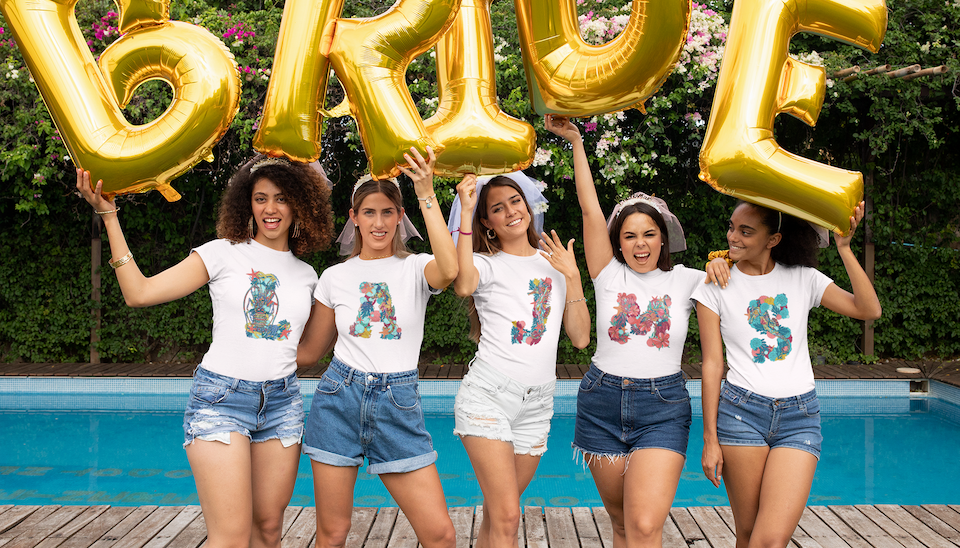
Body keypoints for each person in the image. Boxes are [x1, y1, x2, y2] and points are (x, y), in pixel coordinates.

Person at [75, 157, 336, 548]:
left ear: (298, 205)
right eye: (260, 198)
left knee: (267, 530)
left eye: (281, 199)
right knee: (230, 536)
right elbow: (139, 292)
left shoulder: (307, 275)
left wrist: (273, 357)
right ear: (246, 204)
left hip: (282, 404)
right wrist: (109, 216)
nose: (270, 209)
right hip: (221, 401)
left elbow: (303, 351)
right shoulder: (221, 253)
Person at [546, 114, 705, 548]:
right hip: (601, 400)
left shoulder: (690, 280)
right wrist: (577, 142)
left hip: (664, 407)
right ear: (618, 242)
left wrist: (726, 260)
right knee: (620, 523)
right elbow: (589, 208)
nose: (640, 244)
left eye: (649, 235)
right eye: (630, 236)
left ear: (663, 238)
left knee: (646, 525)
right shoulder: (606, 273)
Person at [692, 200, 882, 548]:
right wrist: (710, 440)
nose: (733, 236)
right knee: (748, 535)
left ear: (773, 239)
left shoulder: (803, 279)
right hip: (740, 414)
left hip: (800, 417)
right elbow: (712, 365)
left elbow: (868, 309)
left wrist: (844, 247)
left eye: (745, 231)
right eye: (732, 227)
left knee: (771, 539)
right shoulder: (712, 285)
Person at [296, 147, 458, 548]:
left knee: (440, 534)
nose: (379, 222)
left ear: (400, 217)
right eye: (369, 212)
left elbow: (451, 270)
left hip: (397, 403)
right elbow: (310, 352)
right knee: (332, 534)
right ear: (354, 218)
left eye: (388, 212)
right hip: (338, 401)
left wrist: (425, 192)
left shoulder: (416, 267)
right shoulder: (334, 277)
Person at [449, 170, 591, 548]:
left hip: (538, 404)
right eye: (498, 208)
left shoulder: (554, 263)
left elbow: (580, 338)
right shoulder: (486, 263)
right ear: (488, 223)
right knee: (510, 516)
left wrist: (573, 275)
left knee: (500, 514)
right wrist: (465, 210)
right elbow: (463, 284)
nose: (511, 211)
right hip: (489, 397)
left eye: (515, 201)